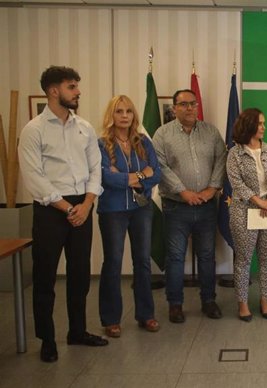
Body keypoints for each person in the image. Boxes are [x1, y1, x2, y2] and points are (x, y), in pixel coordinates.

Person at [18, 66, 108, 363]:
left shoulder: (84, 127)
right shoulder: (34, 130)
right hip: (50, 210)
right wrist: (68, 208)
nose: (78, 91)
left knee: (80, 274)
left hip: (83, 205)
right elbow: (35, 178)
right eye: (72, 86)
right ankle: (47, 339)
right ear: (53, 90)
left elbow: (96, 168)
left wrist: (86, 204)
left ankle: (77, 331)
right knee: (45, 277)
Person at [152, 89, 227, 323]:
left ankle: (208, 300)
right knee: (175, 257)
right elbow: (160, 166)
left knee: (206, 255)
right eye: (183, 104)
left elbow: (221, 160)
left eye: (193, 104)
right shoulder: (162, 134)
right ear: (174, 108)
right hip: (176, 207)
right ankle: (175, 304)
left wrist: (211, 189)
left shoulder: (211, 132)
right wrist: (183, 192)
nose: (189, 108)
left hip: (206, 206)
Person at [97, 95, 162, 337]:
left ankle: (146, 315)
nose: (124, 116)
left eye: (128, 111)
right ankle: (111, 318)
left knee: (143, 262)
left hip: (141, 209)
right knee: (113, 263)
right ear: (111, 116)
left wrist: (133, 177)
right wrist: (138, 175)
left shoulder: (143, 141)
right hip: (112, 211)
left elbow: (157, 173)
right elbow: (106, 178)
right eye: (119, 111)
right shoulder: (101, 144)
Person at [227, 108, 267, 322]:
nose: (263, 127)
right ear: (249, 125)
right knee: (244, 260)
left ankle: (265, 300)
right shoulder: (235, 153)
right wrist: (258, 201)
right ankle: (243, 303)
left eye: (264, 123)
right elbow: (236, 183)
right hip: (244, 212)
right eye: (260, 123)